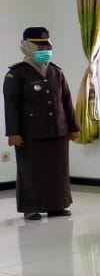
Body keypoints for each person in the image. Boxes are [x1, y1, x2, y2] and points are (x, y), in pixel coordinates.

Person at [4, 26, 79, 220]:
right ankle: (32, 207)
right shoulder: (16, 75)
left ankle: (57, 205)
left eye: (47, 46)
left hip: (58, 130)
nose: (44, 50)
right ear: (27, 46)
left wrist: (73, 126)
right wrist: (13, 132)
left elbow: (67, 101)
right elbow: (11, 106)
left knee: (58, 171)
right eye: (39, 46)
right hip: (30, 133)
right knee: (31, 172)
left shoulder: (56, 72)